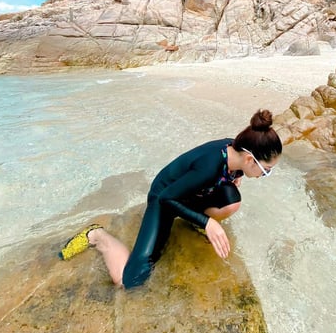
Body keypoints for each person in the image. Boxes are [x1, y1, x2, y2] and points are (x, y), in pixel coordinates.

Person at [59, 109, 282, 289]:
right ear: (250, 159)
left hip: (188, 193)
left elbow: (228, 171)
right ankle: (97, 235)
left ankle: (193, 220)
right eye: (267, 170)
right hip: (163, 197)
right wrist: (208, 222)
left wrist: (237, 175)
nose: (265, 175)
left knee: (232, 199)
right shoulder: (209, 166)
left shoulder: (235, 149)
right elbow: (166, 198)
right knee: (130, 280)